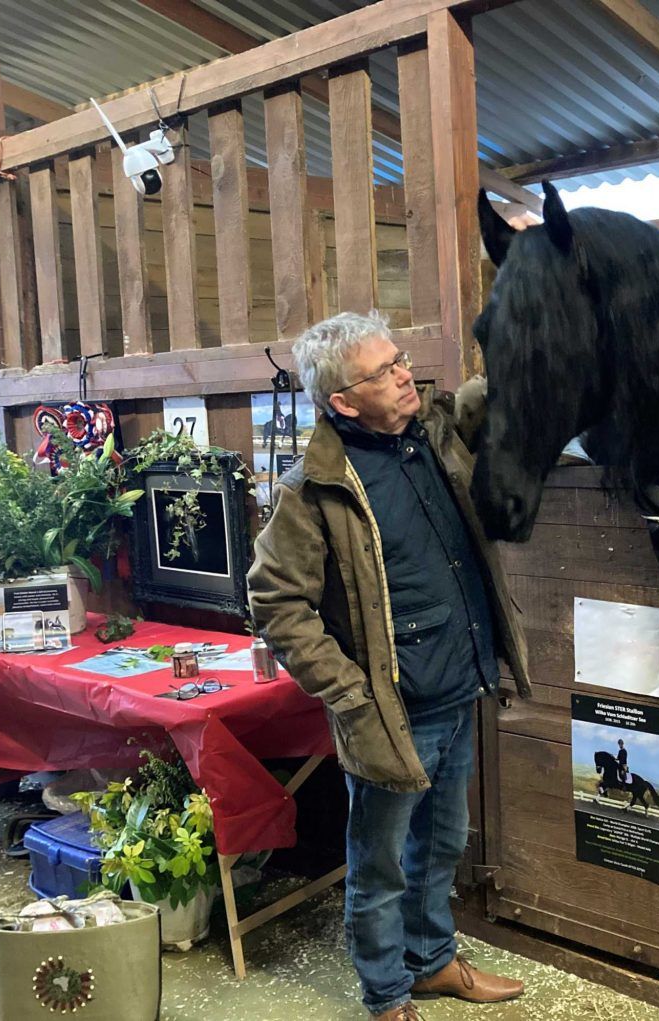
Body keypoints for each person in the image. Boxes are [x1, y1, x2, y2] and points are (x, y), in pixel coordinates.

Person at [247, 311, 532, 1021]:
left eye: (400, 359)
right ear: (343, 401)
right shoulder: (313, 487)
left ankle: (431, 963)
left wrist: (534, 327)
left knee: (441, 844)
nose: (405, 373)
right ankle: (386, 994)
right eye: (384, 371)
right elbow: (276, 603)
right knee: (379, 864)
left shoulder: (430, 434)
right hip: (389, 709)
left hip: (457, 683)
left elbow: (492, 398)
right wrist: (349, 693)